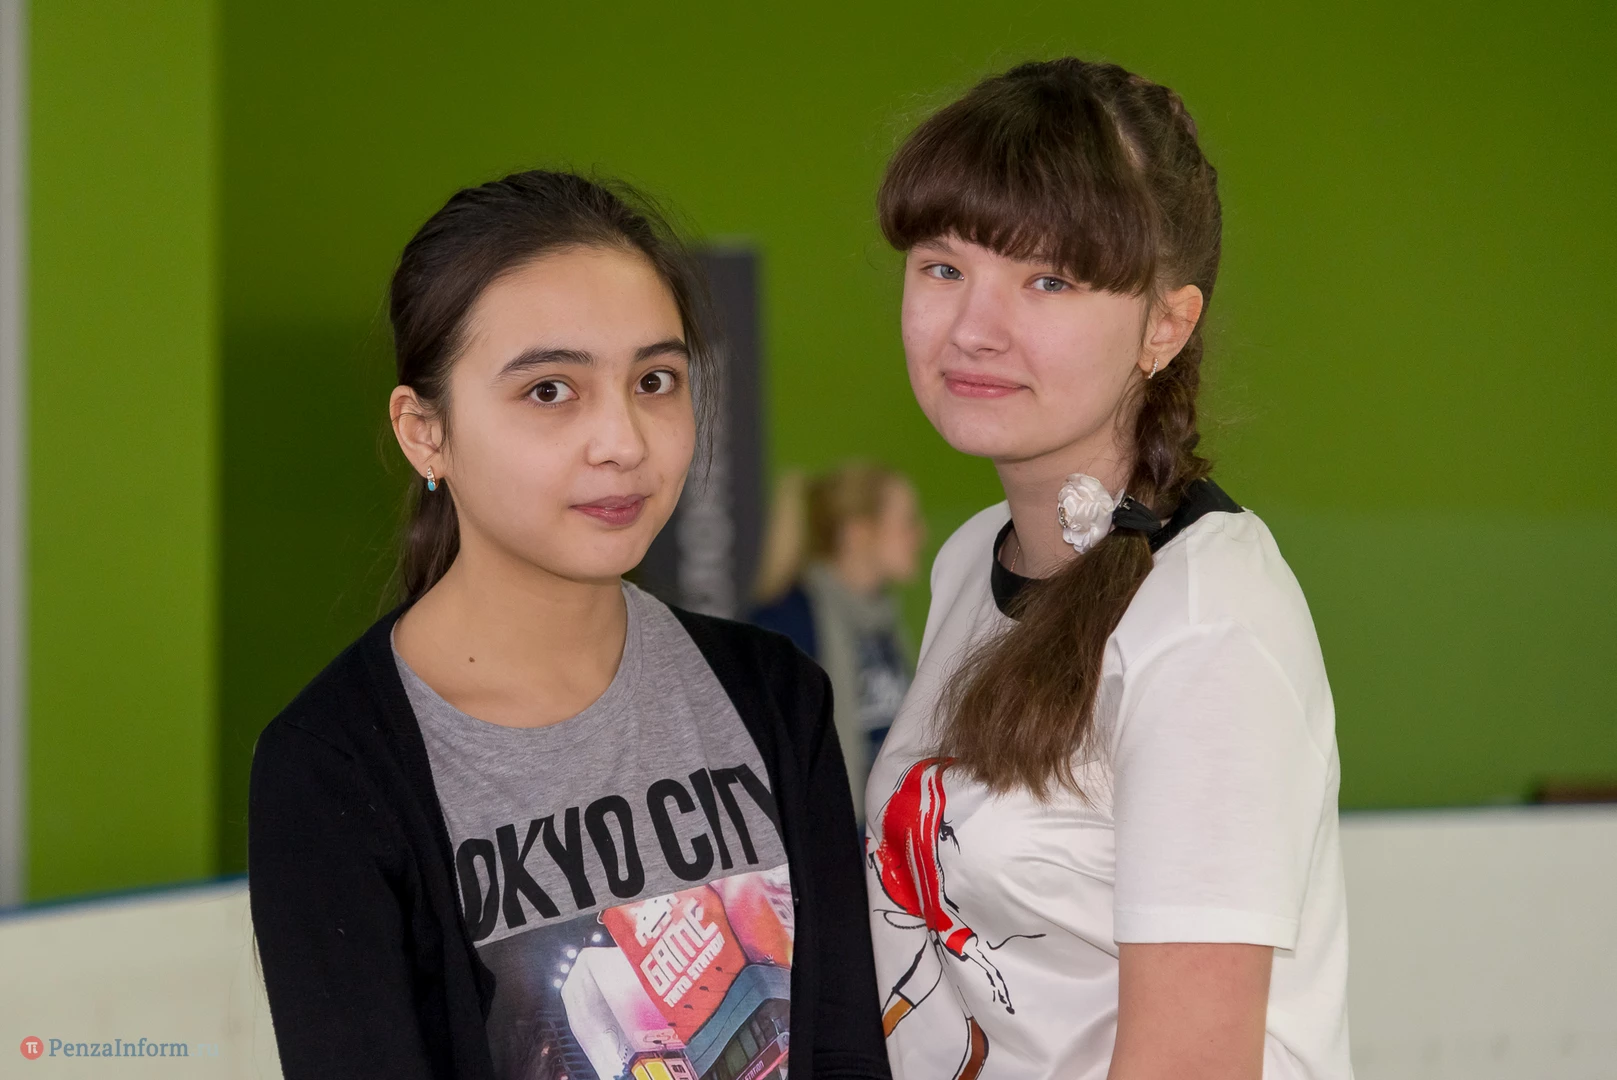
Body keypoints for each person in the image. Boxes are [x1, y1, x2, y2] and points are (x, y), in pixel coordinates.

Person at [247, 170, 889, 1080]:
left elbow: (847, 1048)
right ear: (424, 432)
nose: (623, 441)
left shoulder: (774, 694)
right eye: (550, 390)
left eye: (655, 380)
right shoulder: (331, 770)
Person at [863, 60, 1352, 1080]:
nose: (973, 328)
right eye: (942, 267)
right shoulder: (971, 559)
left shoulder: (1206, 625)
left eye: (1048, 281)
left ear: (1165, 326)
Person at [749, 464, 925, 808]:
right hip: (837, 830)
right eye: (906, 522)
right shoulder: (787, 626)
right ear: (857, 533)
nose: (920, 534)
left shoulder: (881, 620)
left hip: (886, 823)